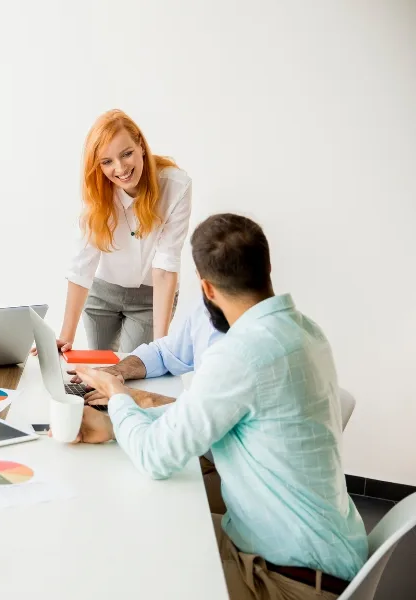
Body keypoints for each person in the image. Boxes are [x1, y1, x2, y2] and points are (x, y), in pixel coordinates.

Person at [72, 214, 367, 599]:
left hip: (287, 579)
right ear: (266, 268)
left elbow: (154, 457)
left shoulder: (241, 354)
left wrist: (116, 392)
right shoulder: (304, 331)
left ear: (207, 288)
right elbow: (221, 416)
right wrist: (121, 420)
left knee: (132, 563)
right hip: (323, 553)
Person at [58, 109, 192, 353]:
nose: (120, 169)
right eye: (107, 162)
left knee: (133, 372)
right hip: (102, 293)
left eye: (126, 154)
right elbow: (82, 264)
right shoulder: (97, 193)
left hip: (150, 298)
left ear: (140, 144)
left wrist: (161, 346)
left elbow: (165, 265)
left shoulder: (176, 186)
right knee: (100, 371)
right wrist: (66, 336)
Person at [76, 291, 223, 408]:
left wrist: (142, 399)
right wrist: (119, 370)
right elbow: (163, 353)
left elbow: (213, 419)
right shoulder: (204, 311)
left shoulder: (240, 345)